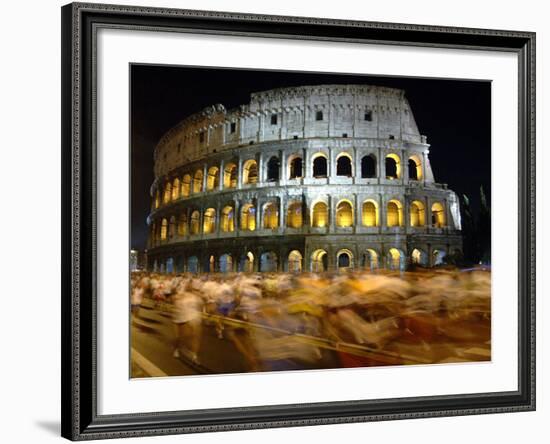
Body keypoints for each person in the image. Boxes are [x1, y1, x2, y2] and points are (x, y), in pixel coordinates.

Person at [172, 279, 204, 364]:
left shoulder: (196, 296)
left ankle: (194, 355)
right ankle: (176, 349)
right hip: (180, 319)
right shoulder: (181, 295)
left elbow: (201, 305)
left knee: (196, 337)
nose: (190, 286)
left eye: (191, 285)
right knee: (180, 338)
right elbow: (174, 301)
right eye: (188, 285)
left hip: (193, 318)